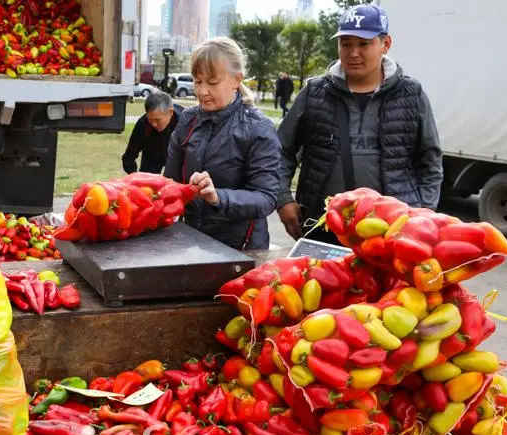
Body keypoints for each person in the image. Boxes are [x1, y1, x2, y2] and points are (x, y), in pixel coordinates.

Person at [276, 3, 443, 244]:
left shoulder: (411, 94)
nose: (353, 53)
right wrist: (283, 198)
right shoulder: (314, 92)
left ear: (385, 44)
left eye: (364, 44)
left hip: (392, 232)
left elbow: (430, 160)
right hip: (323, 227)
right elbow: (281, 151)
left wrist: (422, 213)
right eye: (346, 44)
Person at [164, 37, 281, 250]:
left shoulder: (258, 128)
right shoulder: (188, 120)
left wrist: (219, 197)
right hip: (191, 243)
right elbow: (168, 183)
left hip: (241, 249)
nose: (202, 91)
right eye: (197, 81)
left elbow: (266, 198)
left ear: (237, 79)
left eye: (212, 82)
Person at [122, 92, 183, 174]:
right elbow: (128, 157)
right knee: (147, 184)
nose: (154, 124)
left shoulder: (185, 121)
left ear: (170, 112)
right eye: (150, 119)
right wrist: (135, 176)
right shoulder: (143, 123)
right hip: (152, 156)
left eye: (158, 120)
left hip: (179, 158)